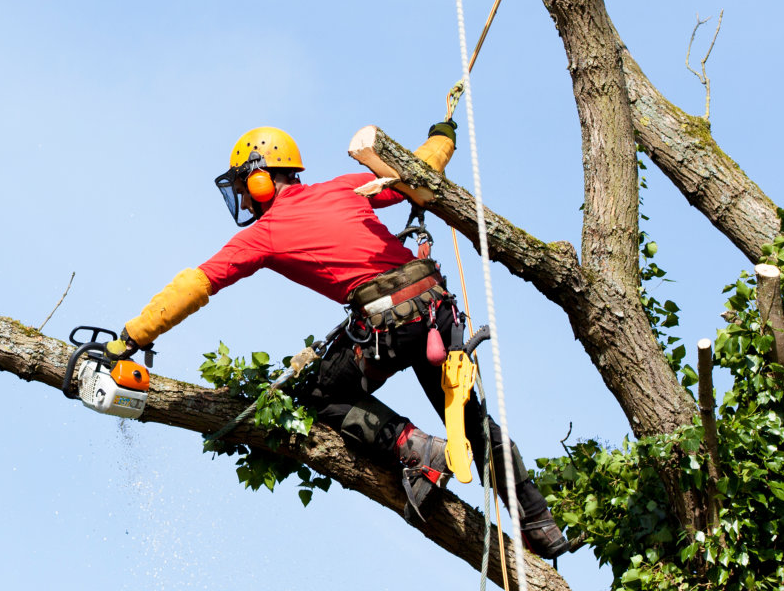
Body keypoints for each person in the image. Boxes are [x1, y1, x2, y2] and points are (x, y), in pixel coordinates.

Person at [105, 124, 575, 558]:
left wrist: (131, 337)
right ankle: (539, 523)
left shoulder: (265, 234)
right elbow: (419, 166)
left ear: (259, 180)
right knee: (471, 421)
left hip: (388, 324)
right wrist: (442, 137)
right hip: (435, 312)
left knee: (317, 396)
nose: (246, 204)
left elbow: (196, 284)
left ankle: (417, 449)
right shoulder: (344, 187)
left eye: (244, 190)